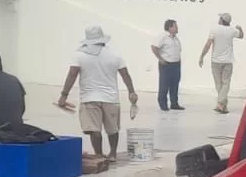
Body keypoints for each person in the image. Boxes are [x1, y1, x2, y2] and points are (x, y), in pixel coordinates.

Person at [56, 25, 138, 162]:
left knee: (94, 129)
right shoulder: (115, 54)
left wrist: (64, 95)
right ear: (103, 39)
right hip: (111, 98)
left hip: (89, 98)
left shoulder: (80, 55)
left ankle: (99, 155)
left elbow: (72, 75)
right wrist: (131, 92)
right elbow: (125, 75)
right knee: (113, 129)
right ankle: (112, 154)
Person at [200, 13, 244, 114]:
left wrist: (202, 56)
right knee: (226, 83)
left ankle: (220, 103)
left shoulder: (214, 30)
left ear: (221, 20)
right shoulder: (232, 30)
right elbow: (241, 36)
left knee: (218, 83)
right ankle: (223, 106)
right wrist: (240, 28)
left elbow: (208, 44)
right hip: (228, 61)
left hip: (216, 61)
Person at [151, 18, 184, 111]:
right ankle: (163, 104)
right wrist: (160, 59)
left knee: (175, 84)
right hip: (166, 64)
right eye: (175, 26)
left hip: (176, 64)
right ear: (170, 27)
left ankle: (174, 103)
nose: (177, 28)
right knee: (164, 84)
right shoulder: (162, 36)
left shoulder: (175, 38)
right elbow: (154, 47)